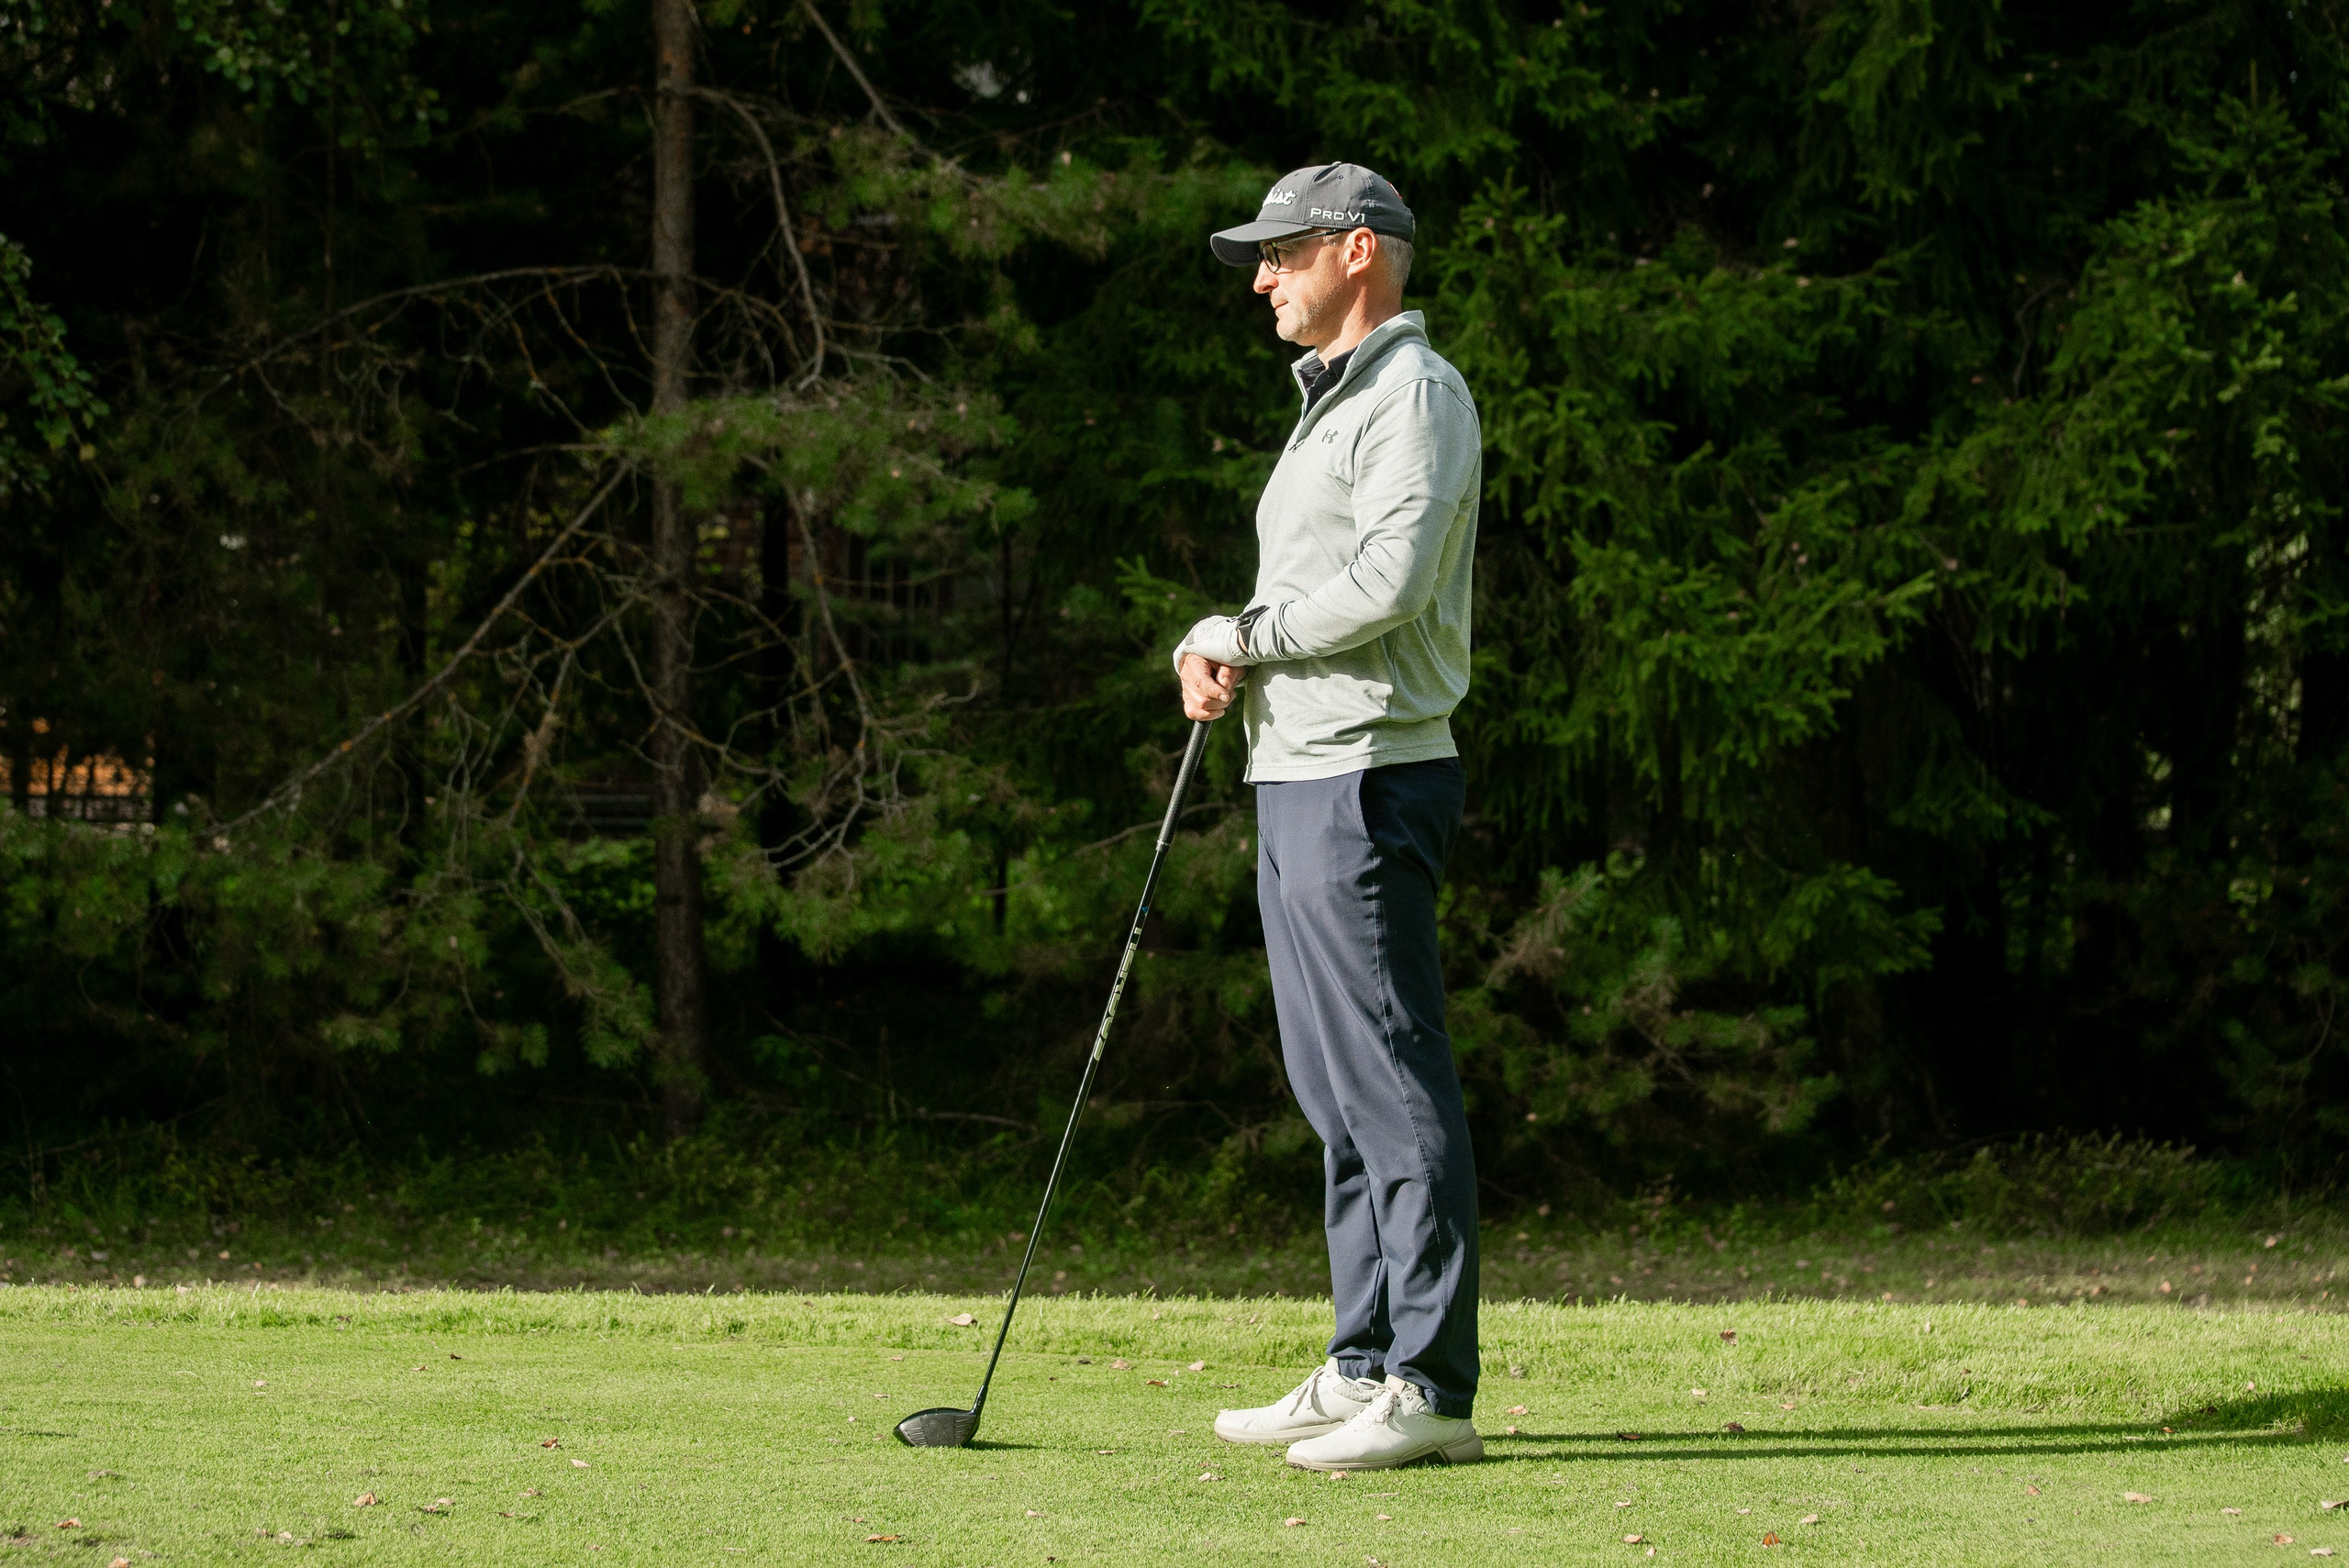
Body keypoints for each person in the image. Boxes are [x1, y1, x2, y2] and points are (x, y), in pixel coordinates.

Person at [1177, 162, 1484, 1472]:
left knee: (1391, 1076)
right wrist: (1229, 654)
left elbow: (1391, 583)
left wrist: (1240, 631)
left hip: (1368, 772)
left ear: (1357, 253)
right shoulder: (1333, 401)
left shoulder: (1416, 392)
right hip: (1296, 769)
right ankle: (1363, 1358)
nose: (1262, 277)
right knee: (1332, 1088)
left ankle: (1429, 1384)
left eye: (1282, 254)